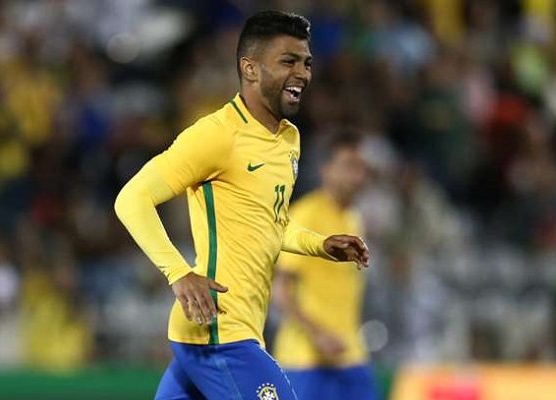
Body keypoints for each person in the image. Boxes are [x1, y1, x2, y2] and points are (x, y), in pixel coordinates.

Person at [114, 11, 369, 400]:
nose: (302, 73)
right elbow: (132, 198)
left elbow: (271, 222)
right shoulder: (217, 135)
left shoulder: (288, 139)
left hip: (224, 331)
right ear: (250, 69)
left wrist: (320, 244)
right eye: (288, 61)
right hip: (219, 330)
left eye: (306, 63)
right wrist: (178, 273)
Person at [272, 133, 378, 400]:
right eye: (349, 166)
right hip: (305, 359)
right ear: (326, 170)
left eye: (361, 167)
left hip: (350, 354)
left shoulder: (353, 218)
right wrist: (318, 334)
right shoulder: (305, 215)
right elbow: (280, 290)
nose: (357, 176)